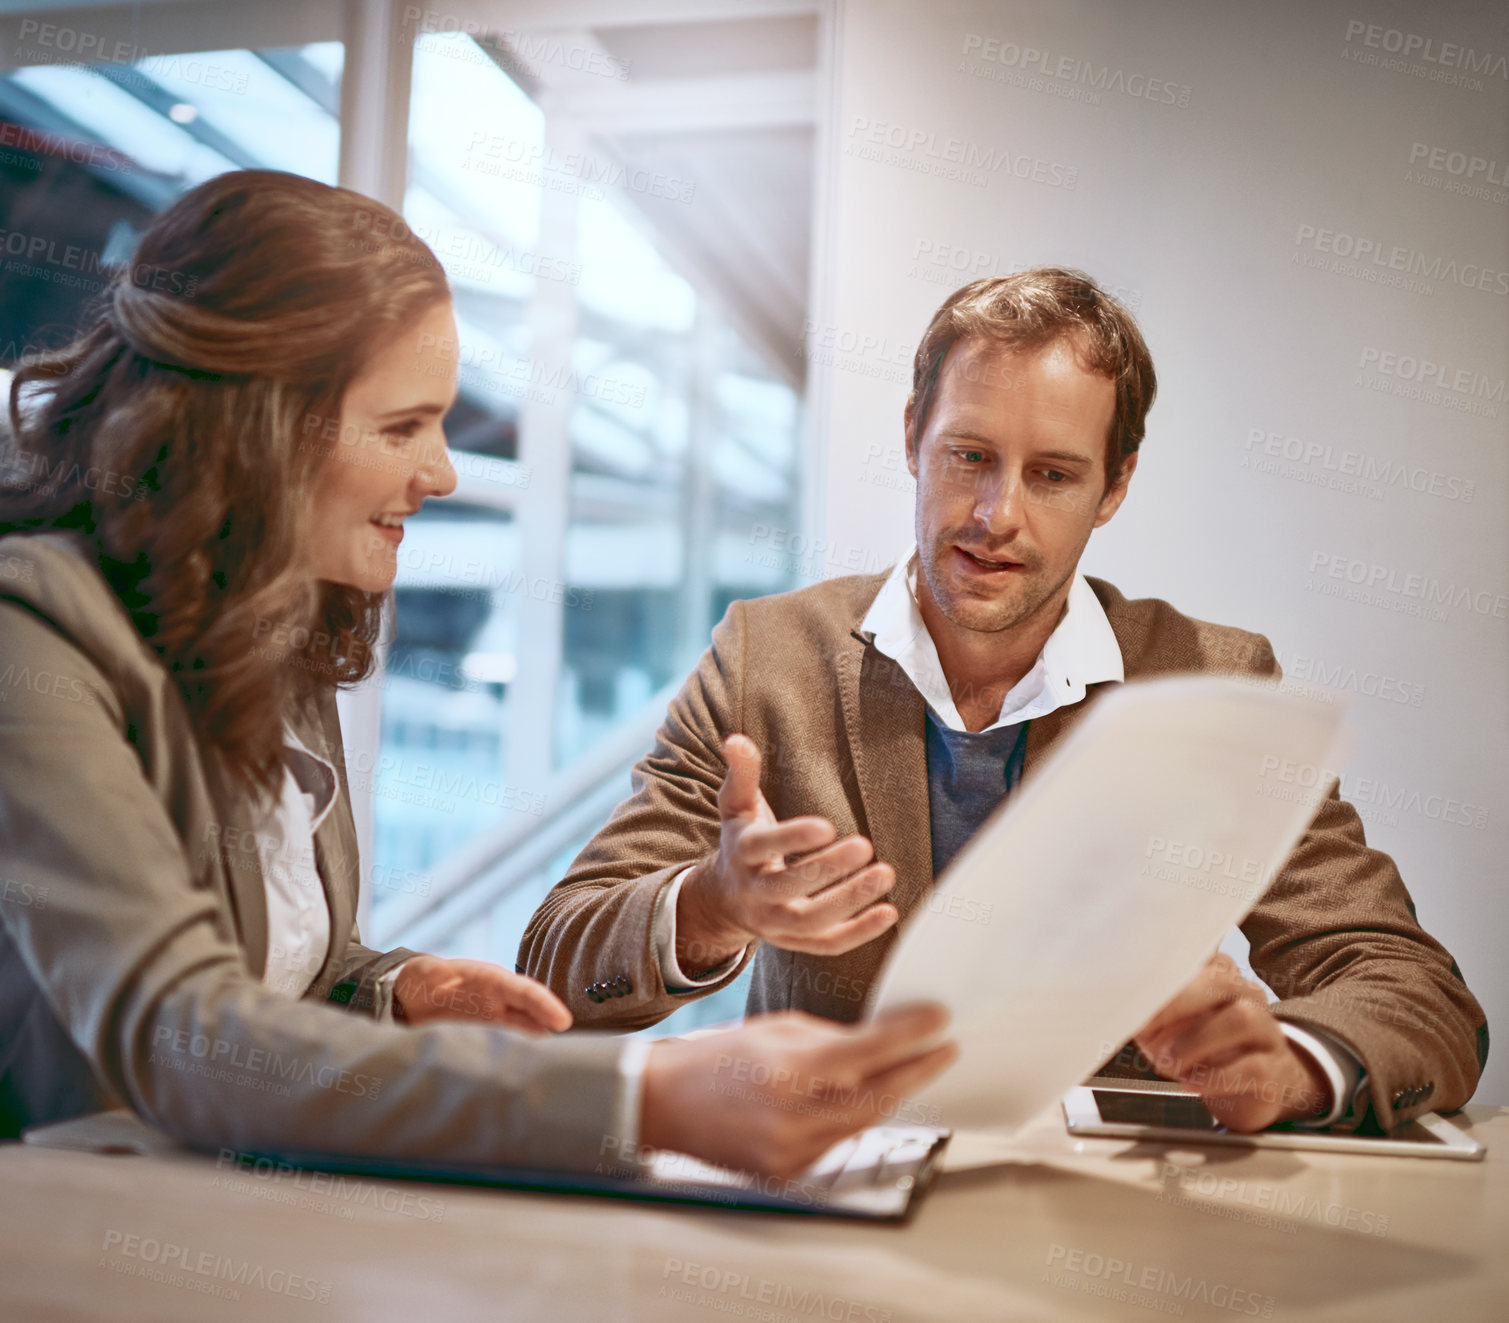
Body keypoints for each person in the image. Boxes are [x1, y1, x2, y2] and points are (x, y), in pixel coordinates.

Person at [0, 169, 955, 1180]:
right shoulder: (36, 630)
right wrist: (642, 1099)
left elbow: (282, 972)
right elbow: (182, 1033)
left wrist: (399, 992)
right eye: (403, 426)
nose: (445, 472)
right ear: (262, 427)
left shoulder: (275, 626)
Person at [520, 268, 1488, 1135]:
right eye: (969, 457)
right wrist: (712, 904)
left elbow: (1418, 995)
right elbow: (557, 968)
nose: (997, 516)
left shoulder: (1212, 680)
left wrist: (1292, 1066)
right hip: (814, 1197)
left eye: (1054, 474)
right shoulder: (765, 657)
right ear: (912, 439)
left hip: (1088, 1223)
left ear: (1113, 488)